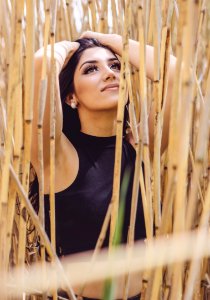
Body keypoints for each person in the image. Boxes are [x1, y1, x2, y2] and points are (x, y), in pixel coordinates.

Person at [31, 31, 176, 299]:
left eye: (115, 65)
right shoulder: (58, 157)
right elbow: (42, 63)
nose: (110, 73)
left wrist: (112, 40)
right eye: (91, 70)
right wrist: (71, 46)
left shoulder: (139, 148)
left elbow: (178, 75)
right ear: (70, 97)